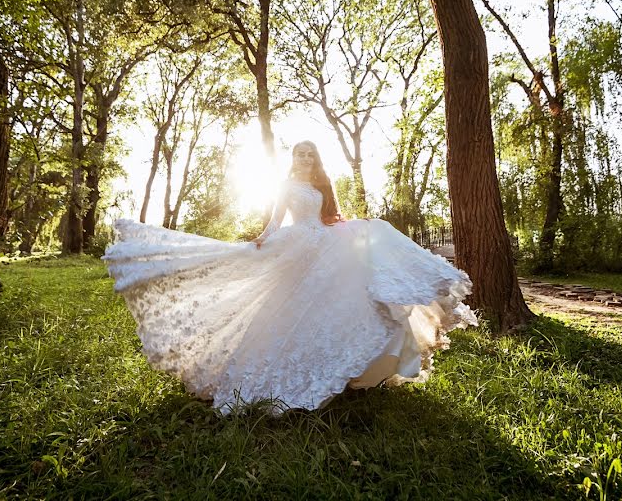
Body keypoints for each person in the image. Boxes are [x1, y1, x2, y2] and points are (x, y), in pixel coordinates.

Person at [103, 140, 476, 413]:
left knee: (351, 293)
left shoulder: (321, 186)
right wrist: (263, 239)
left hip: (327, 243)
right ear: (293, 158)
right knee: (288, 306)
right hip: (295, 245)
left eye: (310, 154)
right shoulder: (285, 186)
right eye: (300, 154)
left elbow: (331, 216)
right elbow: (275, 220)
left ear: (316, 160)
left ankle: (355, 368)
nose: (305, 158)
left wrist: (348, 229)